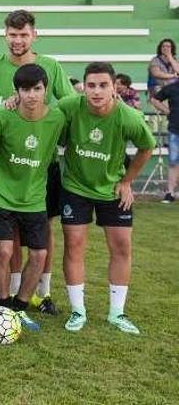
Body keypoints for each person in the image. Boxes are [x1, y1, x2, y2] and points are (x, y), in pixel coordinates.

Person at [0, 9, 75, 315]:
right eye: (12, 34)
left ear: (34, 35)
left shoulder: (51, 65)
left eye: (24, 34)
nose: (18, 40)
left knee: (43, 234)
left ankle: (41, 294)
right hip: (6, 163)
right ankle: (7, 300)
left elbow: (68, 104)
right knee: (8, 244)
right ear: (5, 35)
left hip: (40, 166)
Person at [60, 62, 155, 335]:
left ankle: (117, 313)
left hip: (111, 189)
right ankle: (78, 311)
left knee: (122, 247)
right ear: (84, 88)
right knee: (74, 245)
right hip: (75, 187)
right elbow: (42, 113)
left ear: (115, 88)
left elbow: (147, 147)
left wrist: (126, 181)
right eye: (91, 85)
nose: (97, 91)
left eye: (103, 85)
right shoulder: (71, 106)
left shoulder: (128, 117)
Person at [0, 64, 66, 332]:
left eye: (37, 89)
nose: (31, 95)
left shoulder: (57, 118)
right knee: (4, 251)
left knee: (39, 254)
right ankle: (2, 304)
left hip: (34, 198)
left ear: (46, 90)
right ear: (16, 91)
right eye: (25, 89)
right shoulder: (2, 115)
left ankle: (19, 307)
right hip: (1, 196)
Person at [150, 76, 179, 203]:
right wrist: (167, 111)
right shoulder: (171, 88)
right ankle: (170, 193)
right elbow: (155, 99)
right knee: (173, 162)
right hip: (175, 129)